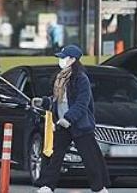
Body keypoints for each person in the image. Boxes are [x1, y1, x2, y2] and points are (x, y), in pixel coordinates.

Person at [32, 44, 109, 193]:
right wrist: (44, 102)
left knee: (90, 157)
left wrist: (68, 118)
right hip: (61, 124)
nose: (60, 60)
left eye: (63, 58)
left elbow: (82, 103)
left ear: (73, 59)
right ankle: (47, 185)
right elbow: (57, 100)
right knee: (55, 156)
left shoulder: (81, 79)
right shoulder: (60, 78)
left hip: (79, 124)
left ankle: (99, 187)